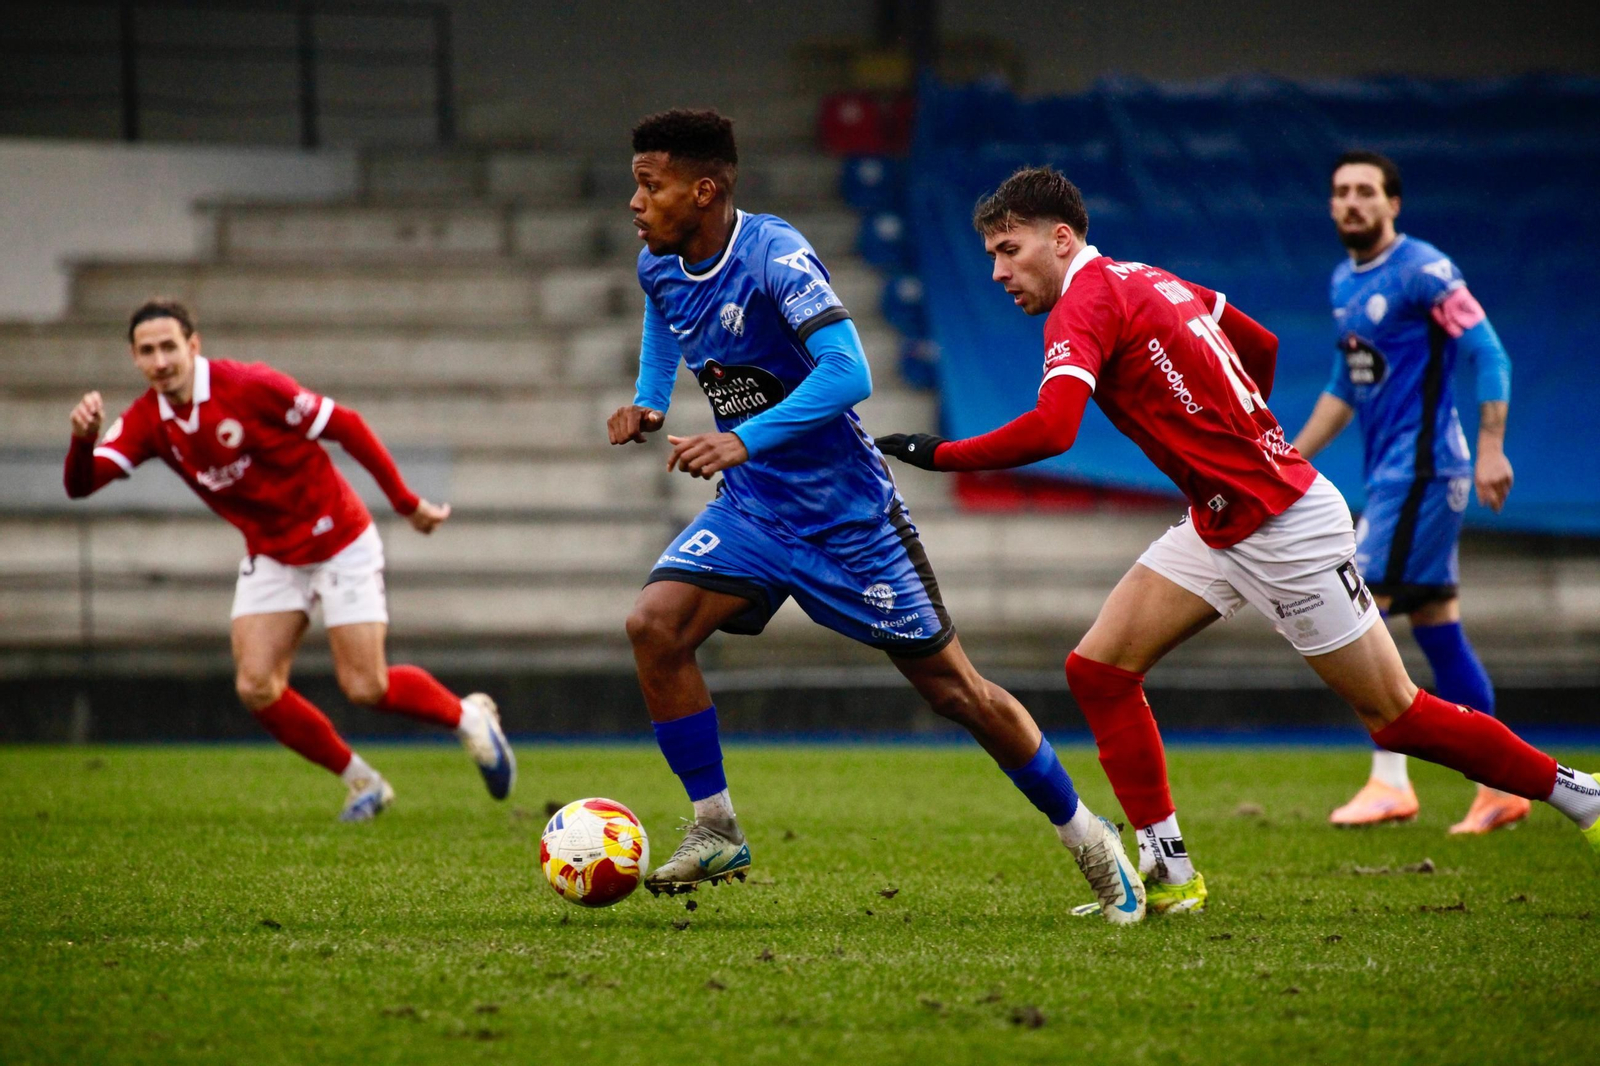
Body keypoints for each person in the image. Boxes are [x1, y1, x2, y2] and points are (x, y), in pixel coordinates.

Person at [876, 166, 1600, 914]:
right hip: (1224, 516)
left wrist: (942, 454)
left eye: (1009, 250)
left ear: (1061, 239)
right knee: (1098, 671)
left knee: (1399, 715)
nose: (998, 272)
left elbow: (1056, 429)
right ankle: (1171, 872)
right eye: (992, 256)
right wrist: (1233, 431)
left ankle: (1582, 796)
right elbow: (1259, 341)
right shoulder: (1149, 278)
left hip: (1283, 526)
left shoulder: (1083, 304)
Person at [606, 109, 1145, 923]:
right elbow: (664, 311)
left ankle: (1091, 840)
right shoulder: (660, 260)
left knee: (958, 694)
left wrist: (744, 438)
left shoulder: (774, 255)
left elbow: (848, 371)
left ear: (704, 190)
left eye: (651, 185)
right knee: (654, 625)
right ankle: (715, 825)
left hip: (850, 520)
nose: (636, 202)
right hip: (756, 510)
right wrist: (650, 401)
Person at [64, 299, 515, 821]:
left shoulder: (249, 385)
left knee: (365, 686)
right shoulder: (147, 420)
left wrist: (405, 502)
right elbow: (81, 485)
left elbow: (346, 424)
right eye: (148, 351)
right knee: (256, 685)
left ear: (193, 345)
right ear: (134, 358)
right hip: (273, 554)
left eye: (169, 347)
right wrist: (82, 441)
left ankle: (469, 719)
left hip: (338, 539)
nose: (160, 361)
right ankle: (364, 783)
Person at [1290, 150, 1522, 833]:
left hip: (1424, 471)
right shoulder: (1345, 281)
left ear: (1393, 203)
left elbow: (1490, 352)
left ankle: (1390, 783)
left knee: (1357, 611)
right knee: (1437, 626)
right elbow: (1344, 386)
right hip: (1398, 475)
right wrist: (1287, 460)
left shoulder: (1425, 271)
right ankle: (1500, 786)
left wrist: (1491, 447)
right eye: (1341, 191)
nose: (1351, 202)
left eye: (1366, 191)